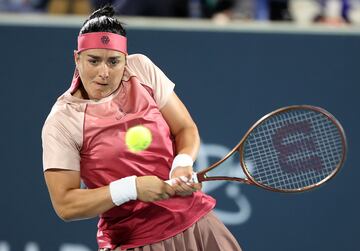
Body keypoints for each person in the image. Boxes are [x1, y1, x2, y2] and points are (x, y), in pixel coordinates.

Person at [42, 5, 242, 251]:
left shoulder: (141, 69)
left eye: (113, 62)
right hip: (135, 241)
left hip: (198, 225)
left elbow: (184, 128)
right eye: (93, 61)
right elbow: (66, 204)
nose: (103, 72)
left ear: (125, 60)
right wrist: (131, 188)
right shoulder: (62, 120)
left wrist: (182, 163)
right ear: (77, 58)